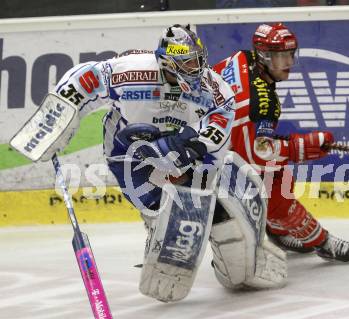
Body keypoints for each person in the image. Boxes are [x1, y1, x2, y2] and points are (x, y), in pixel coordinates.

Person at [11, 24, 289, 301]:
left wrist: (193, 144)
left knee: (209, 207)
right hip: (127, 150)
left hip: (181, 146)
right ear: (168, 62)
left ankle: (236, 254)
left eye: (198, 61)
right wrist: (58, 115)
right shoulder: (133, 71)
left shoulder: (212, 88)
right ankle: (157, 231)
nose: (197, 70)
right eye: (188, 63)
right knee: (158, 210)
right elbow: (86, 78)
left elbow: (220, 118)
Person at [213, 23, 349, 263]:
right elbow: (257, 157)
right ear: (264, 55)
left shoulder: (242, 58)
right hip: (210, 160)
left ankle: (276, 230)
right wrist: (301, 147)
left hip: (208, 141)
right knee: (276, 193)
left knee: (280, 176)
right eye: (281, 56)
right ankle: (323, 242)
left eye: (290, 54)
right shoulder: (262, 103)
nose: (289, 62)